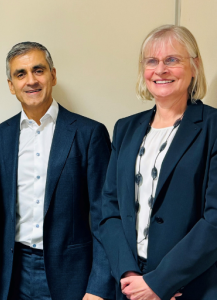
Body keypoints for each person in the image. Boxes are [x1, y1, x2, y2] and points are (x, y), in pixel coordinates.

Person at [0, 42, 113, 300]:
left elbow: (105, 217)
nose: (31, 80)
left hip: (71, 276)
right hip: (11, 274)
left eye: (38, 70)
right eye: (20, 74)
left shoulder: (89, 134)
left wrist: (98, 286)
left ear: (53, 75)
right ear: (11, 86)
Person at [99, 25, 217, 300]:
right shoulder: (125, 129)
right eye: (152, 61)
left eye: (172, 60)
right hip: (131, 287)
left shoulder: (213, 127)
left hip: (189, 286)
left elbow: (214, 220)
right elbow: (109, 209)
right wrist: (128, 274)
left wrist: (160, 282)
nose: (160, 69)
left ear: (195, 66)